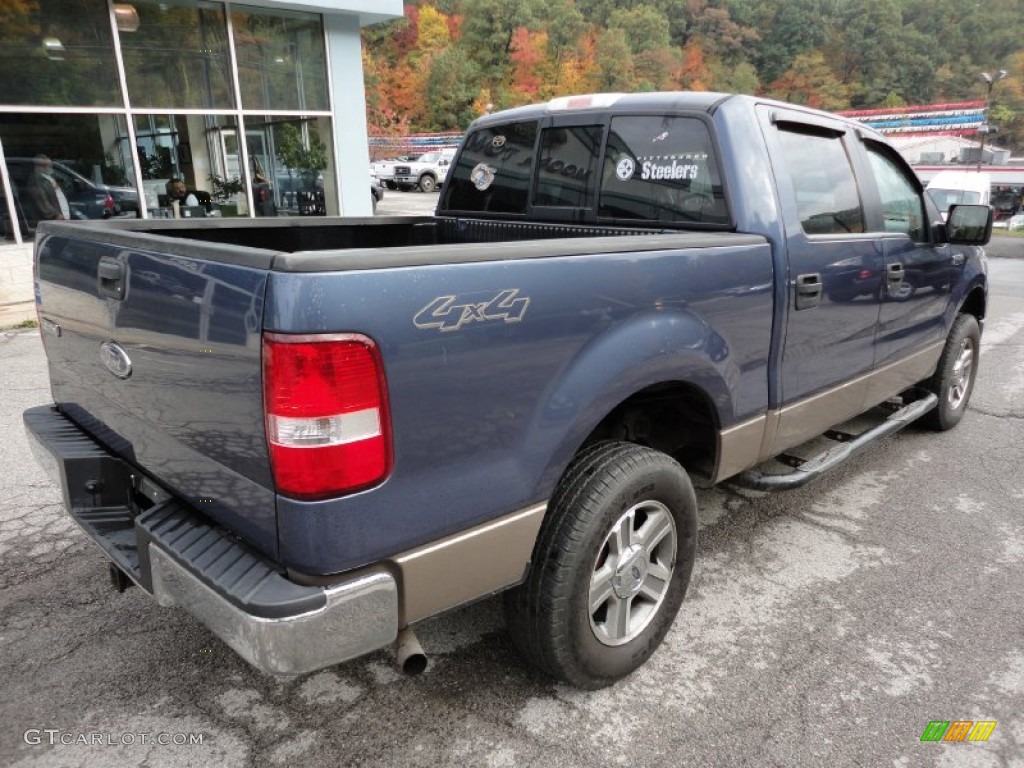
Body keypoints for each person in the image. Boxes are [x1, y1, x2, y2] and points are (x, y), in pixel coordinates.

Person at [27, 155, 70, 221]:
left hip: (62, 217)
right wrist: (54, 215)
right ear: (40, 167)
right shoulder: (36, 181)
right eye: (48, 165)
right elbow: (41, 200)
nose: (51, 167)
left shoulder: (49, 177)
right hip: (54, 219)